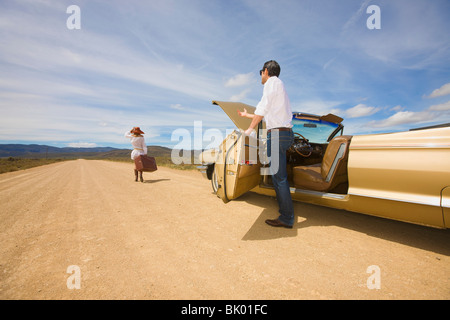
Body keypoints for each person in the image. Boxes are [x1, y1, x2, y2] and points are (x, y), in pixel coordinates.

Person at [238, 60, 294, 228]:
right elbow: (264, 112)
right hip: (285, 134)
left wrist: (249, 130)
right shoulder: (279, 86)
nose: (261, 76)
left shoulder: (270, 83)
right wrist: (248, 115)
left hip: (276, 135)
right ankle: (286, 213)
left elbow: (262, 110)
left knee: (279, 178)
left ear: (266, 71)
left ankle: (286, 217)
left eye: (261, 72)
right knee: (280, 176)